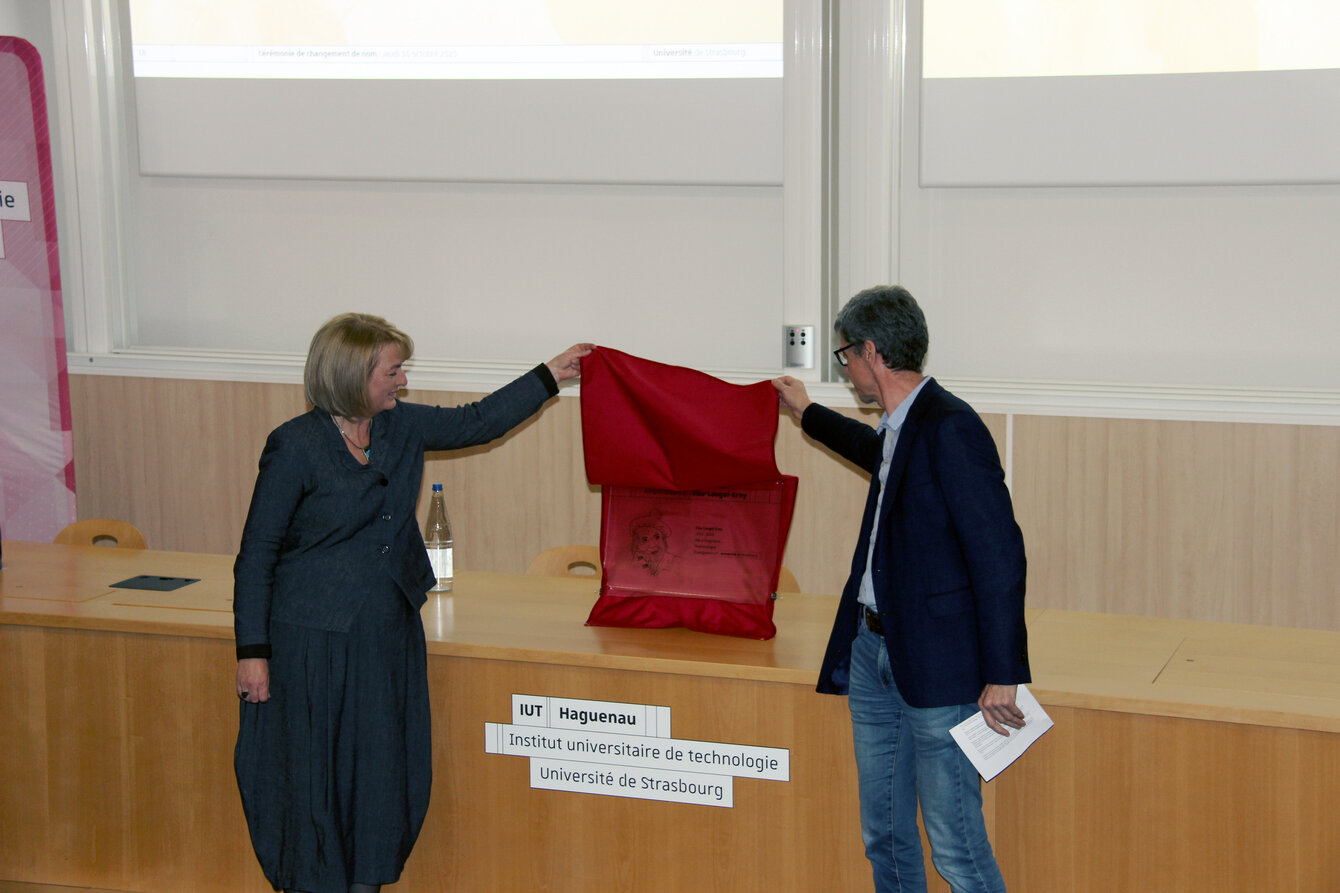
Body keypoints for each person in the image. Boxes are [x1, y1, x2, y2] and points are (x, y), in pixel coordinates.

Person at [233, 312, 592, 893]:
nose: (403, 381)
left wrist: (552, 374)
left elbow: (479, 421)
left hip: (387, 630)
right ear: (352, 376)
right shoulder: (294, 446)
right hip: (312, 639)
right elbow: (257, 554)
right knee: (316, 776)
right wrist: (252, 651)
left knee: (381, 769)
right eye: (393, 371)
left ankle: (367, 881)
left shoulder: (401, 426)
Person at [773, 286, 1030, 893]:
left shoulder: (951, 426)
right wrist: (806, 411)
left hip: (939, 666)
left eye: (845, 356)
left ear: (871, 352)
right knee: (884, 834)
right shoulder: (900, 426)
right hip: (872, 653)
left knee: (955, 847)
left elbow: (999, 553)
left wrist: (1003, 671)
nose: (847, 370)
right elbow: (874, 452)